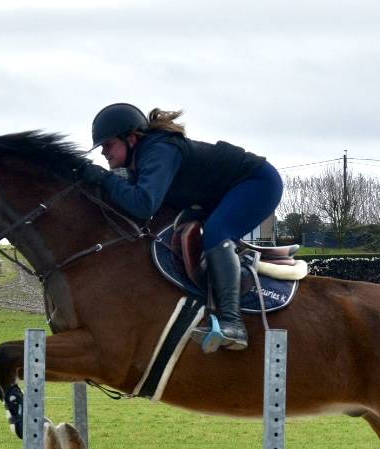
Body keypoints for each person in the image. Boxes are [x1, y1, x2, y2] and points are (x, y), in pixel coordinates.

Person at [80, 103, 283, 351]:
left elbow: (144, 205)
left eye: (108, 145)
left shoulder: (159, 150)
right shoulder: (140, 162)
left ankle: (233, 323)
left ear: (131, 138)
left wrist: (104, 177)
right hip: (220, 194)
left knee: (217, 232)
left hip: (258, 182)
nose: (103, 153)